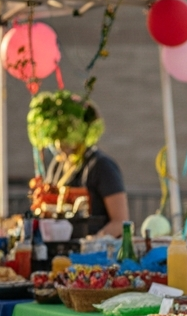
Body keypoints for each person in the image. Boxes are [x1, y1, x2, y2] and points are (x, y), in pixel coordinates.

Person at [34, 93, 127, 237]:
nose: (59, 143)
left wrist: (94, 242)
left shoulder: (102, 166)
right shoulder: (57, 165)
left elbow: (120, 222)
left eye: (66, 133)